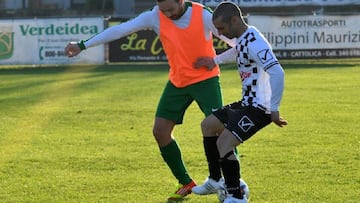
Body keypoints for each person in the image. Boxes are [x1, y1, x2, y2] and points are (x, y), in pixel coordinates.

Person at [64, 0, 235, 201]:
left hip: (206, 80)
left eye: (171, 9)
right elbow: (121, 30)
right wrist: (82, 45)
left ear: (181, 1)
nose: (167, 14)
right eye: (163, 10)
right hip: (177, 82)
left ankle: (232, 184)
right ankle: (185, 182)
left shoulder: (203, 15)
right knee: (160, 131)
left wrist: (216, 60)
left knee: (220, 130)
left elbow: (236, 41)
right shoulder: (155, 15)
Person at [191, 2, 288, 203]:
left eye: (221, 28)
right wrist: (214, 61)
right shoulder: (244, 38)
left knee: (224, 142)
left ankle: (236, 196)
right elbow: (237, 51)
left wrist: (274, 109)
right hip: (246, 103)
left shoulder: (255, 42)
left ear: (234, 20)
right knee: (208, 125)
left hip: (259, 108)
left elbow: (277, 72)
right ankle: (216, 180)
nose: (219, 32)